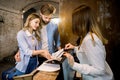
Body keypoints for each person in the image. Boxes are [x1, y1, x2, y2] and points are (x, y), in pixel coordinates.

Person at [64, 4, 114, 80]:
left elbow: (100, 70)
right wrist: (74, 48)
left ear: (79, 22)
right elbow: (87, 52)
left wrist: (74, 65)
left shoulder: (90, 39)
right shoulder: (88, 37)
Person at [2, 13, 52, 80]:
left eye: (38, 23)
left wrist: (49, 57)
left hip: (34, 63)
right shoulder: (21, 34)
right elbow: (27, 51)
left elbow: (36, 50)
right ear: (30, 20)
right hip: (24, 64)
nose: (37, 25)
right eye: (36, 22)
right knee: (13, 77)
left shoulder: (34, 34)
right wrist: (43, 50)